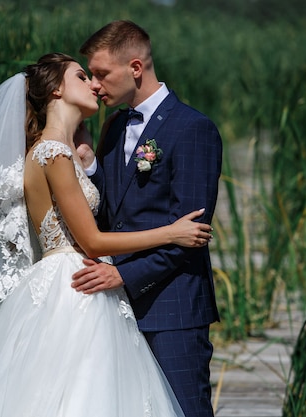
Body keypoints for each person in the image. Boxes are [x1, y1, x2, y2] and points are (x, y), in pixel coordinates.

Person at [0, 53, 214, 417]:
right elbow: (92, 241)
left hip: (71, 280)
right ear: (57, 90)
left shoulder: (60, 151)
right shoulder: (53, 153)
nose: (93, 83)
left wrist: (88, 160)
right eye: (81, 76)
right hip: (75, 287)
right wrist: (171, 232)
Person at [74, 20, 223, 417]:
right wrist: (90, 168)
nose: (94, 84)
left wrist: (124, 275)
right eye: (90, 74)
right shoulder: (113, 125)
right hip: (113, 306)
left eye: (102, 73)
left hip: (171, 306)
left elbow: (189, 234)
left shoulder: (193, 128)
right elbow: (114, 212)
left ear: (135, 68)